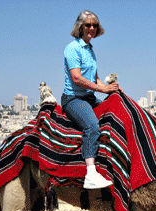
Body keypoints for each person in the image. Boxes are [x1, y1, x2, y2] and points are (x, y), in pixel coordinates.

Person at [62, 10, 120, 189]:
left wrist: (112, 90)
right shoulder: (73, 48)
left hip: (89, 96)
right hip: (74, 98)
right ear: (80, 27)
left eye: (94, 25)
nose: (92, 28)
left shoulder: (90, 49)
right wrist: (102, 89)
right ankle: (91, 173)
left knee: (114, 112)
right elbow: (77, 78)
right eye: (88, 25)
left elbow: (94, 78)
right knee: (92, 126)